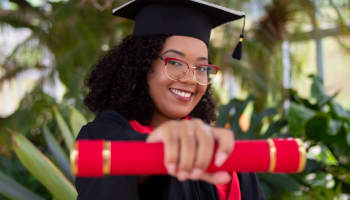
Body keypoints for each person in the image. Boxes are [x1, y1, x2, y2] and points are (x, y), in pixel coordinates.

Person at [75, 0, 265, 199]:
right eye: (174, 63)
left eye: (201, 68)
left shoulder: (223, 153)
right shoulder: (103, 136)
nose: (191, 79)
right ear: (142, 63)